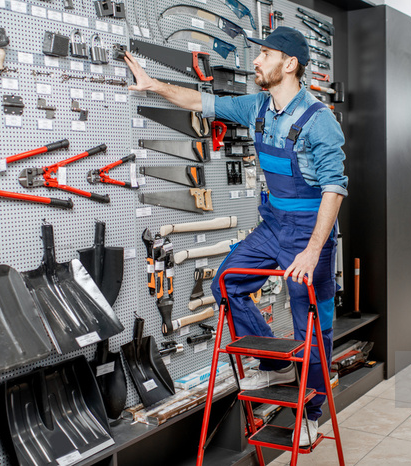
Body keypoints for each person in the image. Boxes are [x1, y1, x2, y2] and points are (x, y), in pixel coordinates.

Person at [124, 26, 347, 446]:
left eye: (265, 54)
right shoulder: (258, 107)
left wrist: (314, 252)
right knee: (227, 283)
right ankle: (274, 365)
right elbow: (202, 101)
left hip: (309, 233)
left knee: (312, 330)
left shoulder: (320, 122)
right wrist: (153, 84)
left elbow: (334, 190)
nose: (256, 62)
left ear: (290, 64)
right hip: (272, 227)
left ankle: (310, 413)